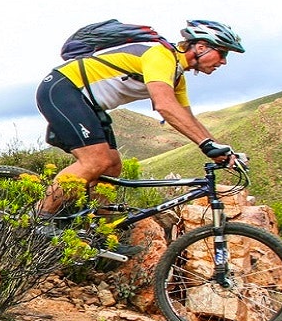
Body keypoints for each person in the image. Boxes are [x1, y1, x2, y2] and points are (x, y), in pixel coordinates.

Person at [34, 19, 244, 217]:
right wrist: (206, 145)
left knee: (112, 165)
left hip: (87, 102)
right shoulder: (161, 56)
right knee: (96, 161)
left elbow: (187, 118)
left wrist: (222, 150)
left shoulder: (176, 76)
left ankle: (99, 231)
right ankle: (39, 220)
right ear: (200, 47)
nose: (224, 61)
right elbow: (165, 105)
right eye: (222, 52)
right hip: (63, 88)